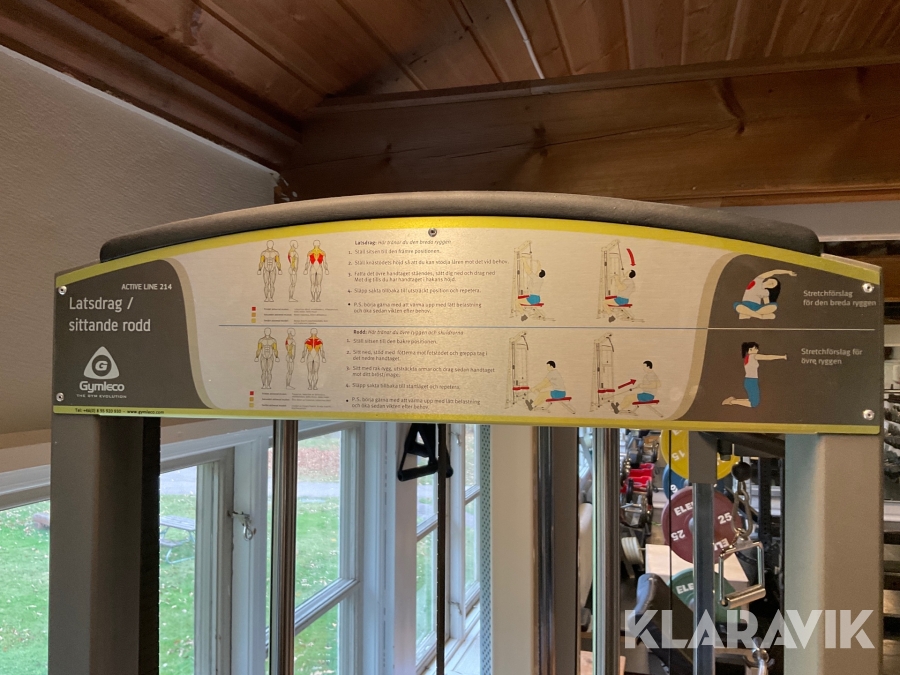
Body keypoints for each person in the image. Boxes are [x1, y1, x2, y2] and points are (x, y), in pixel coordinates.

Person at [723, 342, 787, 408]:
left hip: (750, 381)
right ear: (750, 349)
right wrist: (782, 357)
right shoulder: (753, 356)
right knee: (754, 403)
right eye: (755, 348)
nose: (757, 350)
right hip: (751, 381)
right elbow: (767, 357)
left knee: (753, 400)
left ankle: (732, 401)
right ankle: (732, 401)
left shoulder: (748, 357)